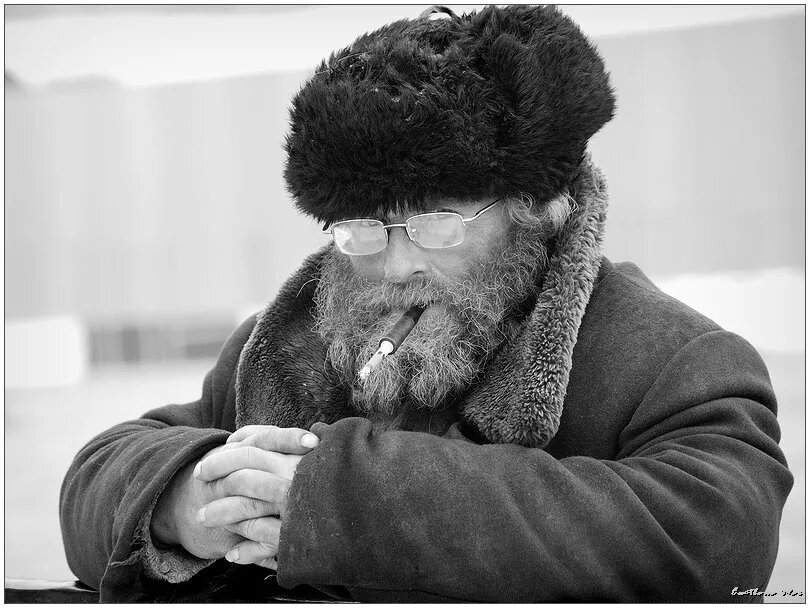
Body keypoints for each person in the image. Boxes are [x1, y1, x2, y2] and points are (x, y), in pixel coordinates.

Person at [60, 5, 793, 602]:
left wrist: (343, 504)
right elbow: (98, 473)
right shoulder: (289, 343)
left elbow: (718, 547)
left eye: (437, 222)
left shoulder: (674, 358)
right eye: (363, 227)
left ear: (537, 208)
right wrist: (185, 501)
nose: (396, 263)